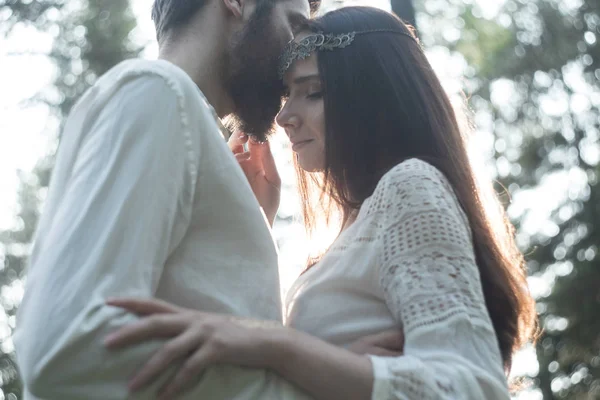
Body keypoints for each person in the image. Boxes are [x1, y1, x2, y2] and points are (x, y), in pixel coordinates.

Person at [105, 6, 538, 400]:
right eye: (288, 94)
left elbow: (471, 387)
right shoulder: (351, 231)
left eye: (311, 92)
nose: (283, 115)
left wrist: (283, 347)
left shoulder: (410, 188)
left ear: (371, 96)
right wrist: (256, 221)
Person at [8, 1, 385, 399]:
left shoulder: (175, 110)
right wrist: (309, 377)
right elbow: (65, 348)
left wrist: (247, 223)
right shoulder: (158, 92)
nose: (294, 54)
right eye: (292, 25)